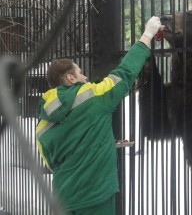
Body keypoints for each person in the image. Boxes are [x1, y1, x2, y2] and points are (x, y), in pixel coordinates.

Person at [35, 16, 161, 214]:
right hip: (95, 198)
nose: (85, 77)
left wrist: (99, 143)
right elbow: (125, 73)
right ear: (70, 78)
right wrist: (147, 35)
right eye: (80, 72)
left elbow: (53, 163)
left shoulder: (41, 125)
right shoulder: (92, 96)